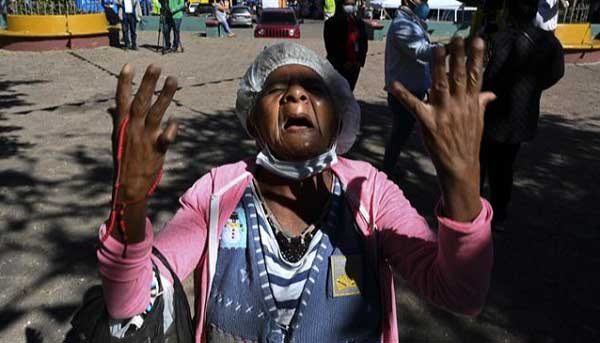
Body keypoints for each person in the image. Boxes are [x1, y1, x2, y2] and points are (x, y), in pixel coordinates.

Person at [97, 40, 495, 341]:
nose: (296, 95)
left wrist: (462, 182)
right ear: (252, 123)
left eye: (313, 89)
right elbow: (128, 305)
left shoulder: (370, 193)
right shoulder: (217, 194)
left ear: (340, 122)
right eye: (277, 90)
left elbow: (460, 294)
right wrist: (129, 202)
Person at [481, 0, 564, 225]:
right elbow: (557, 72)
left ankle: (475, 210)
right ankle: (499, 213)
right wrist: (533, 88)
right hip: (521, 117)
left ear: (507, 10)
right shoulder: (549, 42)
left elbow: (485, 75)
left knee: (483, 162)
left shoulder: (497, 39)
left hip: (492, 115)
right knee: (505, 165)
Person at [383, 0, 439, 178]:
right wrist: (450, 48)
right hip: (403, 93)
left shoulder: (413, 23)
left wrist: (428, 84)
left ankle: (390, 166)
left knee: (402, 133)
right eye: (422, 0)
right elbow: (421, 52)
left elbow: (423, 62)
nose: (425, 3)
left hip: (412, 89)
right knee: (400, 133)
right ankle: (387, 170)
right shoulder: (401, 26)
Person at [323, 0, 368, 91]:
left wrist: (359, 61)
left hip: (355, 66)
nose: (351, 7)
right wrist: (343, 62)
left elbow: (363, 43)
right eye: (348, 4)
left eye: (353, 4)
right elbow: (331, 47)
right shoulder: (331, 24)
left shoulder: (359, 23)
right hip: (339, 67)